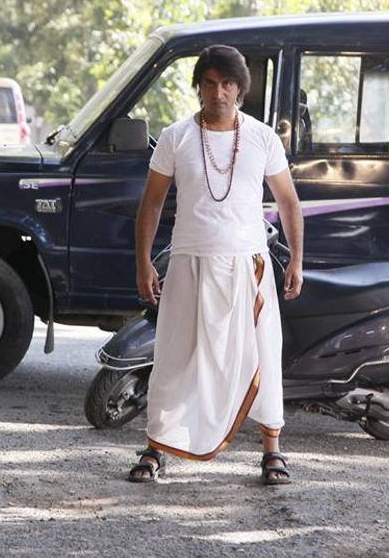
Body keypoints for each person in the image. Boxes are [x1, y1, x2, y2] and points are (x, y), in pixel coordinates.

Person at [129, 45, 304, 485]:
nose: (218, 93)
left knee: (262, 354)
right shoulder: (176, 137)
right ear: (198, 87)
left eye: (227, 84)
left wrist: (297, 260)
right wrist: (144, 262)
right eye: (209, 83)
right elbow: (151, 205)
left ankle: (272, 450)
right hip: (189, 260)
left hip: (248, 265)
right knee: (174, 355)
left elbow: (288, 202)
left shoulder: (263, 138)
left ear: (241, 89)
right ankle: (155, 447)